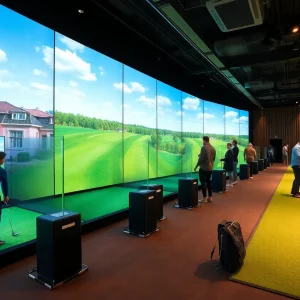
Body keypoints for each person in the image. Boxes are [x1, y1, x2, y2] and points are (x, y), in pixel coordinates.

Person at [194, 136, 216, 203]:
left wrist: (196, 166)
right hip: (210, 168)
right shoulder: (213, 148)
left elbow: (201, 159)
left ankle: (204, 198)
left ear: (204, 140)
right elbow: (213, 158)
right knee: (208, 182)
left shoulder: (204, 147)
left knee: (203, 182)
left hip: (204, 168)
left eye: (202, 140)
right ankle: (210, 197)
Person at [0, 152, 9, 246]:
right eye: (3, 159)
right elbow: (5, 184)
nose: (4, 160)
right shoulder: (1, 171)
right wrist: (6, 196)